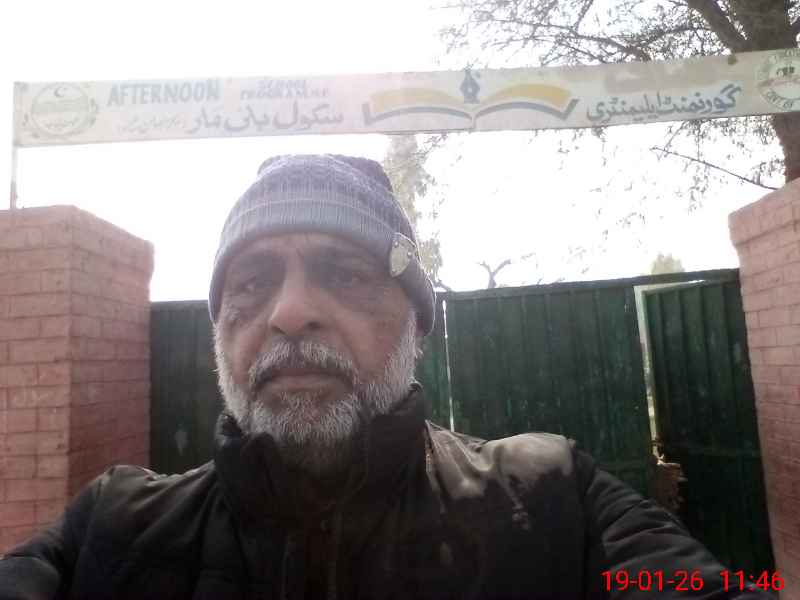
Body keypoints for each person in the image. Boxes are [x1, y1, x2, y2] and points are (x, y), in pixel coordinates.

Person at [0, 154, 769, 599]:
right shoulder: (112, 530)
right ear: (217, 331)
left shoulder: (553, 502)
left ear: (416, 326)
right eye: (251, 282)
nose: (290, 313)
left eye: (345, 272)